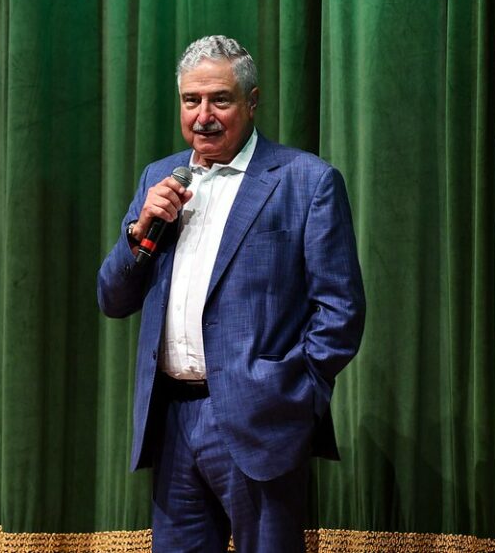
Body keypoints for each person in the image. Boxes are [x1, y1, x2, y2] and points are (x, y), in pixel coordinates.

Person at [97, 35, 365, 552]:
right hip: (171, 421)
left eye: (219, 99)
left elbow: (342, 310)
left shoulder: (306, 181)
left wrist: (293, 392)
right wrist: (139, 231)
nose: (203, 116)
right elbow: (113, 298)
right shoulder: (160, 178)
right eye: (191, 100)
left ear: (251, 101)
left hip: (261, 419)